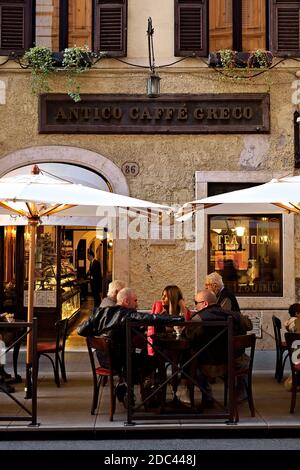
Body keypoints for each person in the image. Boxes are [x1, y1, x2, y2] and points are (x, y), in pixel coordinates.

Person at [78, 287, 183, 403]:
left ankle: (128, 386)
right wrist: (178, 318)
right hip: (121, 360)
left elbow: (80, 330)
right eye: (135, 301)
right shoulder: (127, 314)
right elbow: (151, 318)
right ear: (126, 301)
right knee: (154, 359)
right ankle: (147, 392)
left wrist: (99, 337)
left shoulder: (99, 312)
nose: (137, 305)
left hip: (104, 359)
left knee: (137, 355)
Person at [184, 290, 252, 408]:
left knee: (188, 362)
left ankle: (207, 396)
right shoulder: (234, 315)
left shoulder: (198, 319)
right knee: (244, 359)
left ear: (205, 303)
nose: (195, 306)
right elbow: (249, 325)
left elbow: (188, 336)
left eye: (196, 302)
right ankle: (240, 394)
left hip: (208, 365)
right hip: (234, 363)